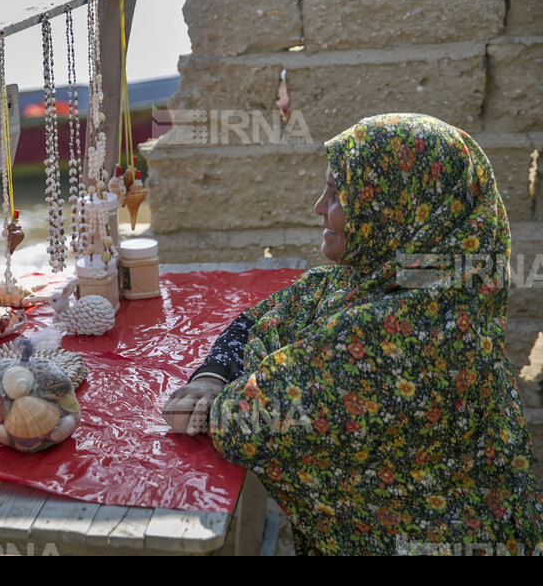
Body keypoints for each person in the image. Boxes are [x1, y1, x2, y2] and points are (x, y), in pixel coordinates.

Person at [163, 113, 543, 555]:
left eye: (338, 192)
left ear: (395, 204)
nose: (319, 206)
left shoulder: (409, 330)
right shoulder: (378, 280)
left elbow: (243, 420)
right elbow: (261, 317)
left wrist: (228, 385)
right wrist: (214, 373)